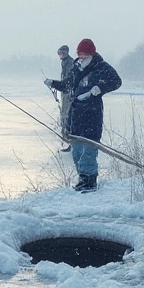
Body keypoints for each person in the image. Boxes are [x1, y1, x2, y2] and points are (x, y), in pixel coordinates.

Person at [45, 39, 122, 193]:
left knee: (89, 150)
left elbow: (117, 81)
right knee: (77, 151)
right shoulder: (76, 67)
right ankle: (82, 179)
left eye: (85, 54)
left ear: (92, 53)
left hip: (92, 115)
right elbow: (67, 85)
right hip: (76, 115)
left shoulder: (101, 67)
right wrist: (53, 83)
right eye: (79, 54)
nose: (82, 56)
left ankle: (90, 181)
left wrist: (99, 88)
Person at [55, 45, 74, 152]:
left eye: (63, 53)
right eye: (59, 53)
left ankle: (71, 141)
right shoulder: (64, 63)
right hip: (65, 93)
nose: (61, 55)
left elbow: (69, 81)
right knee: (64, 116)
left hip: (69, 94)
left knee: (67, 116)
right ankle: (68, 140)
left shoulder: (70, 63)